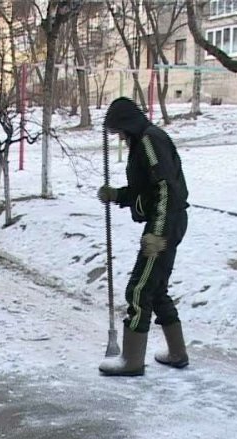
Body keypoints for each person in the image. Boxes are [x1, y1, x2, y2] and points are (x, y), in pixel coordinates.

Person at [97, 97, 190, 376]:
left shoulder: (149, 141)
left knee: (138, 290)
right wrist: (117, 196)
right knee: (155, 288)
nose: (120, 138)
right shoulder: (145, 140)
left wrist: (157, 234)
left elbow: (164, 189)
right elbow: (146, 191)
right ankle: (176, 352)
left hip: (164, 224)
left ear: (127, 125)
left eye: (120, 132)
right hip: (167, 221)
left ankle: (132, 360)